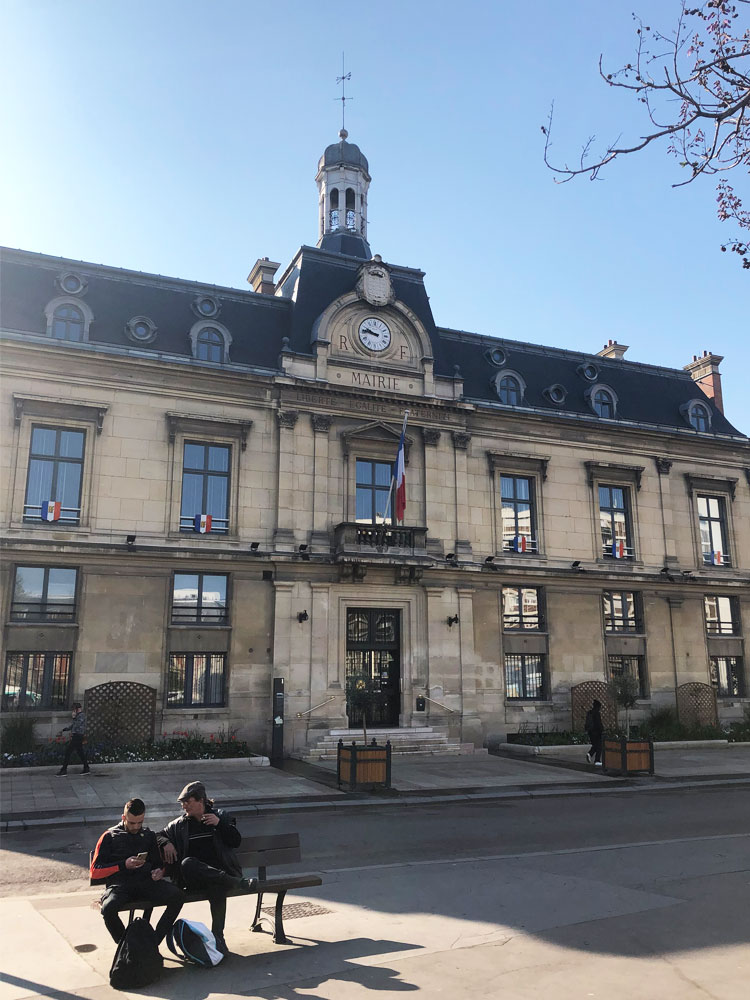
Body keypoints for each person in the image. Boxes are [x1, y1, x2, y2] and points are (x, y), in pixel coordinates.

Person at [158, 781, 255, 956]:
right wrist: (166, 842)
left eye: (188, 801)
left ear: (201, 800)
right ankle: (237, 882)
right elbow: (157, 835)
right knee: (187, 863)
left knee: (217, 885)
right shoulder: (180, 824)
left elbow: (236, 841)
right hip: (194, 879)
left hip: (218, 878)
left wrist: (220, 824)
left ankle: (218, 937)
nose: (184, 806)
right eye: (182, 803)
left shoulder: (220, 816)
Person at [91, 797, 184, 948]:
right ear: (123, 818)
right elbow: (95, 872)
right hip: (121, 886)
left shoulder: (148, 835)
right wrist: (123, 865)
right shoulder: (109, 836)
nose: (136, 827)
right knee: (108, 909)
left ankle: (153, 942)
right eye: (132, 823)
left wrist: (159, 872)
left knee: (178, 896)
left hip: (146, 883)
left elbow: (159, 864)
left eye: (140, 822)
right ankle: (127, 946)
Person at [57, 702, 90, 776]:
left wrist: (74, 717)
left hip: (78, 736)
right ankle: (86, 768)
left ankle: (64, 770)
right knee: (80, 752)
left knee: (68, 751)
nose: (73, 711)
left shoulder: (81, 716)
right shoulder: (78, 716)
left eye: (74, 709)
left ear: (77, 709)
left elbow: (77, 724)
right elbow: (73, 725)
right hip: (77, 735)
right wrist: (65, 729)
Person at [585, 699, 604, 766]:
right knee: (599, 746)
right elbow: (598, 724)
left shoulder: (589, 713)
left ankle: (590, 754)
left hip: (590, 732)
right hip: (597, 732)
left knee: (595, 745)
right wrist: (602, 730)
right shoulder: (597, 713)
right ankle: (597, 760)